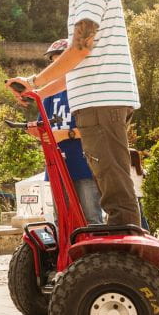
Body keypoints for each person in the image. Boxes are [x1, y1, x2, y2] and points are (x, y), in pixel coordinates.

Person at [6, 0, 141, 226]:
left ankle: (127, 261)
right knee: (111, 185)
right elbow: (74, 69)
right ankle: (123, 257)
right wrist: (36, 91)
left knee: (116, 192)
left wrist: (36, 81)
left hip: (102, 101)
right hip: (97, 101)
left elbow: (80, 47)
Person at [27, 39, 103, 224]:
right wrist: (36, 131)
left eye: (60, 61)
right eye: (53, 62)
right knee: (62, 220)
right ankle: (65, 253)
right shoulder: (49, 94)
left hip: (85, 165)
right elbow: (44, 129)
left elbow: (98, 129)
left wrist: (66, 134)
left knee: (91, 217)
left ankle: (96, 253)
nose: (56, 66)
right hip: (57, 167)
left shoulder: (86, 90)